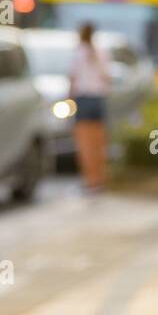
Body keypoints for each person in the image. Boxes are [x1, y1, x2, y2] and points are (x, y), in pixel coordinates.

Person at [68, 22, 110, 192]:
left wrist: (69, 99)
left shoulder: (78, 53)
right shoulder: (101, 52)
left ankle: (89, 179)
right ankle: (100, 177)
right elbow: (107, 77)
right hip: (98, 98)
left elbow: (72, 79)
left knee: (84, 142)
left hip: (84, 98)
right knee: (98, 141)